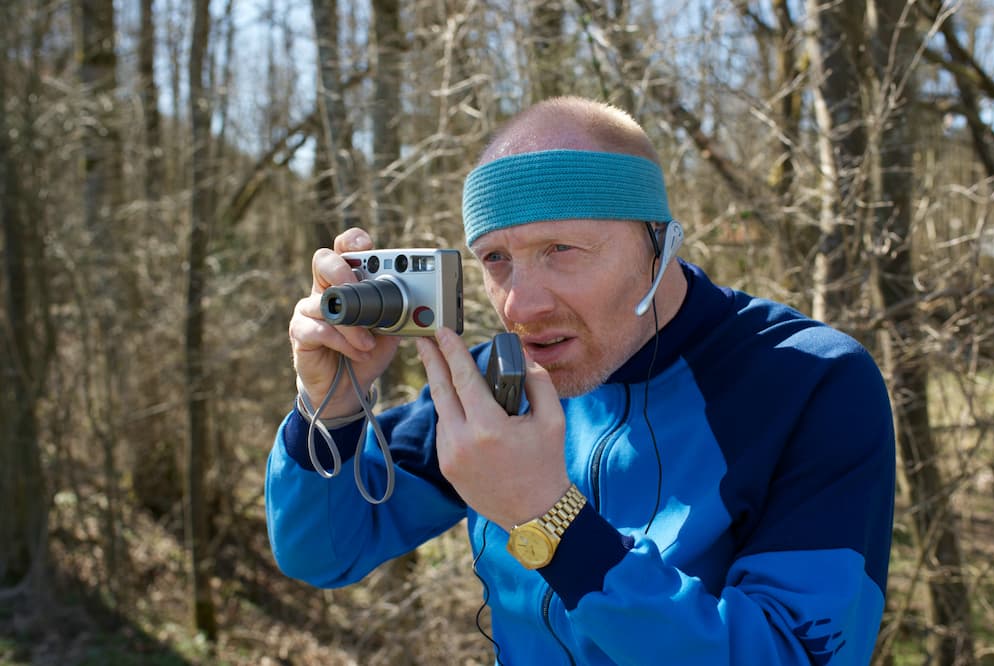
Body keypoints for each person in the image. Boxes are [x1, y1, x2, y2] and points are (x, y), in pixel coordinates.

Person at [266, 96, 895, 664]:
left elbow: (796, 654)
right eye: (497, 260)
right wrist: (333, 407)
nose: (518, 306)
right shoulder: (498, 382)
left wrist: (549, 520)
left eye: (560, 250)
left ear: (659, 241)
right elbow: (323, 551)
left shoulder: (810, 382)